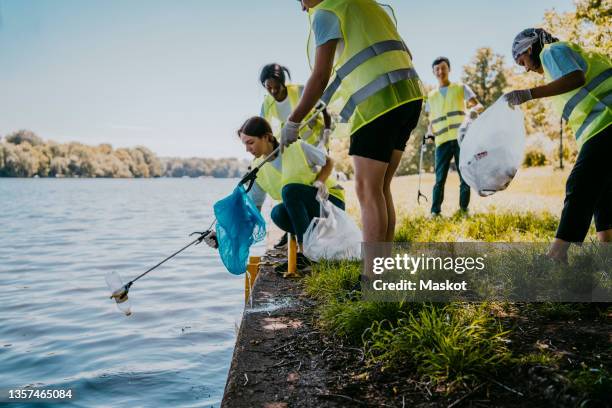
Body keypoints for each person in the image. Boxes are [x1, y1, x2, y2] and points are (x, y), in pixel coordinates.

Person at [281, 0, 424, 243]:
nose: (302, 8)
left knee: (367, 190)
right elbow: (407, 53)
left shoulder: (326, 12)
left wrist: (293, 121)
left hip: (377, 104)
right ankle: (382, 270)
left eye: (300, 0)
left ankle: (371, 276)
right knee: (380, 187)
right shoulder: (368, 5)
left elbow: (320, 75)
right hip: (410, 97)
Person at [504, 28, 611, 263]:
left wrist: (528, 94)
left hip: (607, 123)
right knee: (602, 192)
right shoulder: (555, 70)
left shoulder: (552, 52)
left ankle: (557, 253)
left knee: (580, 184)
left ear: (529, 48)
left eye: (522, 61)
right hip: (601, 128)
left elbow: (576, 78)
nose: (526, 68)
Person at [232, 116, 345, 273]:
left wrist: (320, 181)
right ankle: (315, 252)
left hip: (329, 202)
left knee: (289, 190)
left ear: (267, 137)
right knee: (277, 213)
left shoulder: (296, 146)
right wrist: (228, 233)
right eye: (245, 144)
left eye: (250, 142)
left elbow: (329, 162)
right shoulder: (258, 167)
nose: (247, 149)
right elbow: (253, 210)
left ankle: (307, 255)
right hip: (307, 213)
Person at [426, 57, 484, 217]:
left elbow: (479, 105)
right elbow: (431, 120)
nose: (440, 71)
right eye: (437, 69)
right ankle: (435, 212)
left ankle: (464, 209)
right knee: (439, 179)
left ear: (449, 69)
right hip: (442, 141)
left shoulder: (460, 88)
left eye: (443, 68)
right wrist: (429, 132)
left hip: (461, 139)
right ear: (433, 72)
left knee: (464, 176)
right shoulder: (430, 96)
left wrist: (473, 111)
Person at [260, 63, 332, 149]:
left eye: (277, 86)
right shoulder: (266, 105)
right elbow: (261, 128)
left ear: (282, 82)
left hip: (319, 142)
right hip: (299, 150)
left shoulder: (300, 91)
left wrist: (327, 130)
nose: (273, 91)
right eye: (268, 87)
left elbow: (323, 109)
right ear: (264, 85)